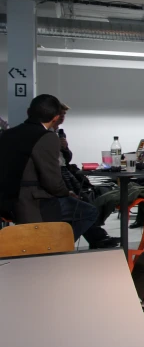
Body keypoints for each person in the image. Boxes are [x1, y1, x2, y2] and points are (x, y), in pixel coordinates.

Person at [0, 95, 116, 248]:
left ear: (28, 112)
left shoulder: (7, 134)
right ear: (55, 118)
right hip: (34, 203)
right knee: (88, 211)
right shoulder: (47, 137)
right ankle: (57, 246)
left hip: (8, 201)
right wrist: (66, 193)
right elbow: (52, 181)